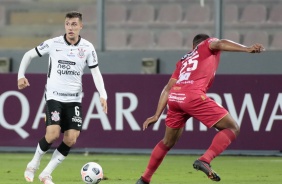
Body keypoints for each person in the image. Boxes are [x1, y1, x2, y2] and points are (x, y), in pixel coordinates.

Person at [136, 34, 264, 184]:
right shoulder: (206, 45)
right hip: (192, 96)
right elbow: (220, 43)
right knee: (232, 127)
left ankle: (144, 179)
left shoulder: (183, 60)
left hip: (175, 98)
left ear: (192, 46)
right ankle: (205, 160)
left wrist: (156, 115)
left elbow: (167, 88)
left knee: (167, 142)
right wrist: (246, 49)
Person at [18, 11, 108, 184]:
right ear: (65, 25)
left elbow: (96, 72)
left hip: (74, 99)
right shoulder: (53, 44)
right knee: (52, 135)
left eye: (74, 24)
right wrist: (20, 75)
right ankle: (33, 164)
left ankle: (46, 174)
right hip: (54, 97)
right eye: (68, 24)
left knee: (71, 138)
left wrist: (103, 94)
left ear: (81, 26)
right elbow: (28, 55)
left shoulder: (87, 48)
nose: (70, 27)